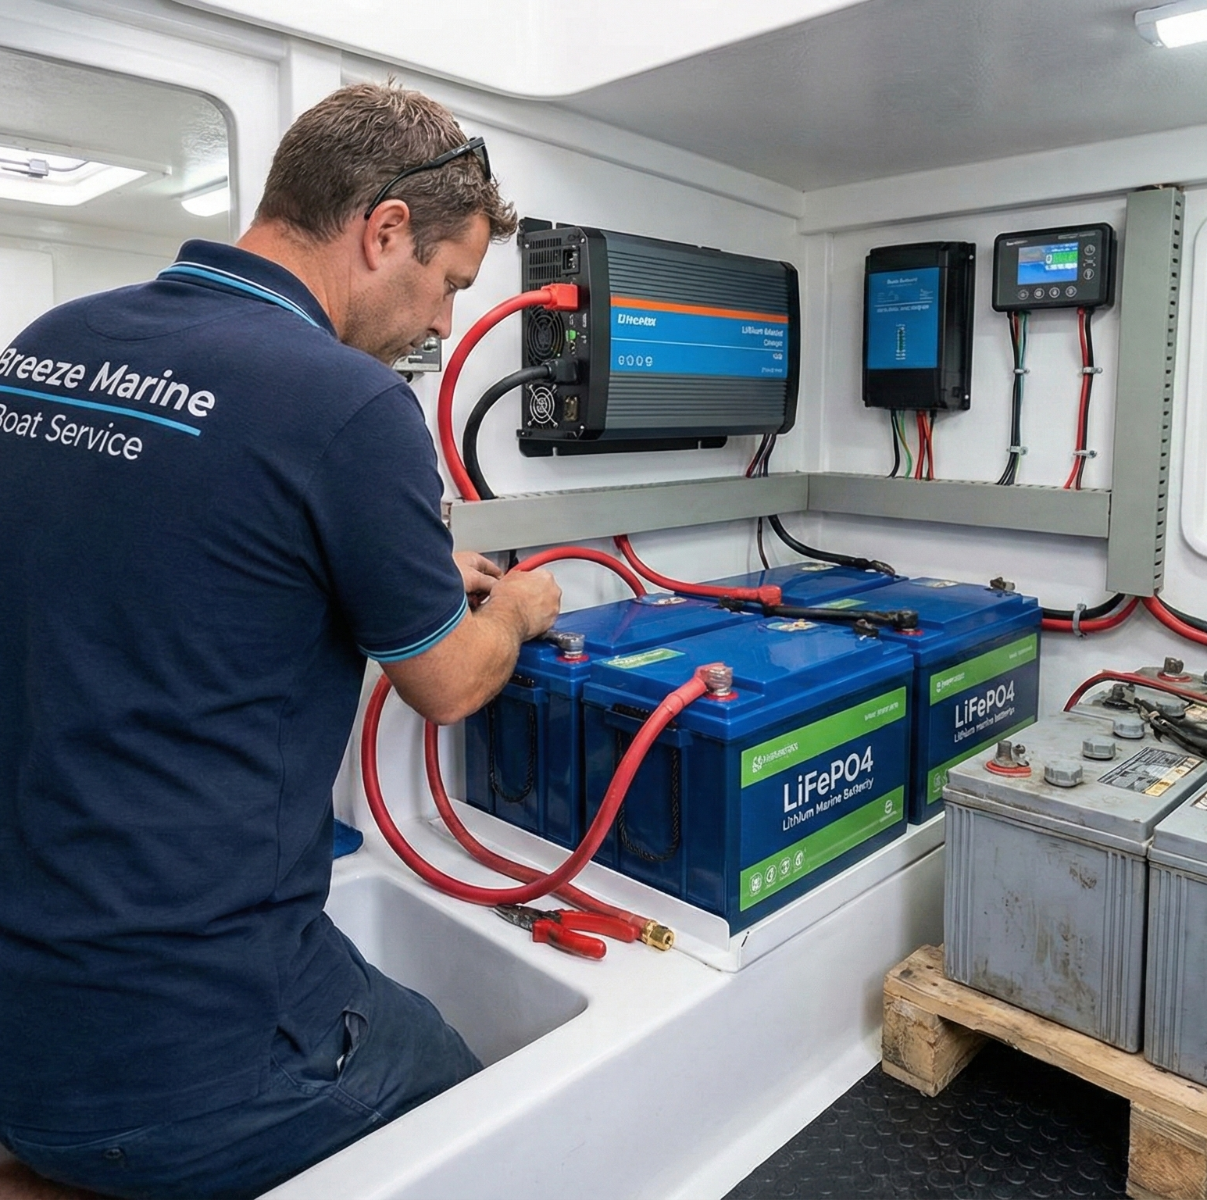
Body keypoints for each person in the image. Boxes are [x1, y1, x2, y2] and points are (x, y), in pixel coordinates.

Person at [0, 83, 561, 1200]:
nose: (445, 324)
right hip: (189, 1062)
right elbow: (446, 684)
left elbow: (157, 541)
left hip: (22, 1029)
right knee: (483, 1108)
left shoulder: (49, 345)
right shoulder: (349, 404)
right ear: (384, 229)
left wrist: (382, 565)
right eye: (449, 283)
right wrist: (515, 610)